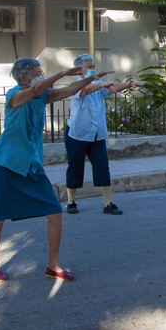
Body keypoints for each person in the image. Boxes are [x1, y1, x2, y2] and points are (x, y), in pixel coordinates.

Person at [0, 58, 111, 283]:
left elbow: (68, 90)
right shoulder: (14, 95)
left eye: (42, 72)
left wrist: (92, 78)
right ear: (23, 77)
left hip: (32, 164)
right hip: (7, 163)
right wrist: (62, 72)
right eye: (37, 72)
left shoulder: (42, 93)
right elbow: (35, 91)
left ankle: (53, 266)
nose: (41, 75)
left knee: (54, 211)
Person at [64, 54, 145, 215]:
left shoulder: (98, 84)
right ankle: (71, 202)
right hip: (78, 133)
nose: (94, 69)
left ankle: (108, 204)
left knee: (102, 167)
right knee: (75, 167)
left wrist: (130, 84)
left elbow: (112, 88)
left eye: (94, 66)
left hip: (97, 133)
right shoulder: (75, 85)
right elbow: (85, 91)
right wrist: (101, 84)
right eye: (90, 67)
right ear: (80, 70)